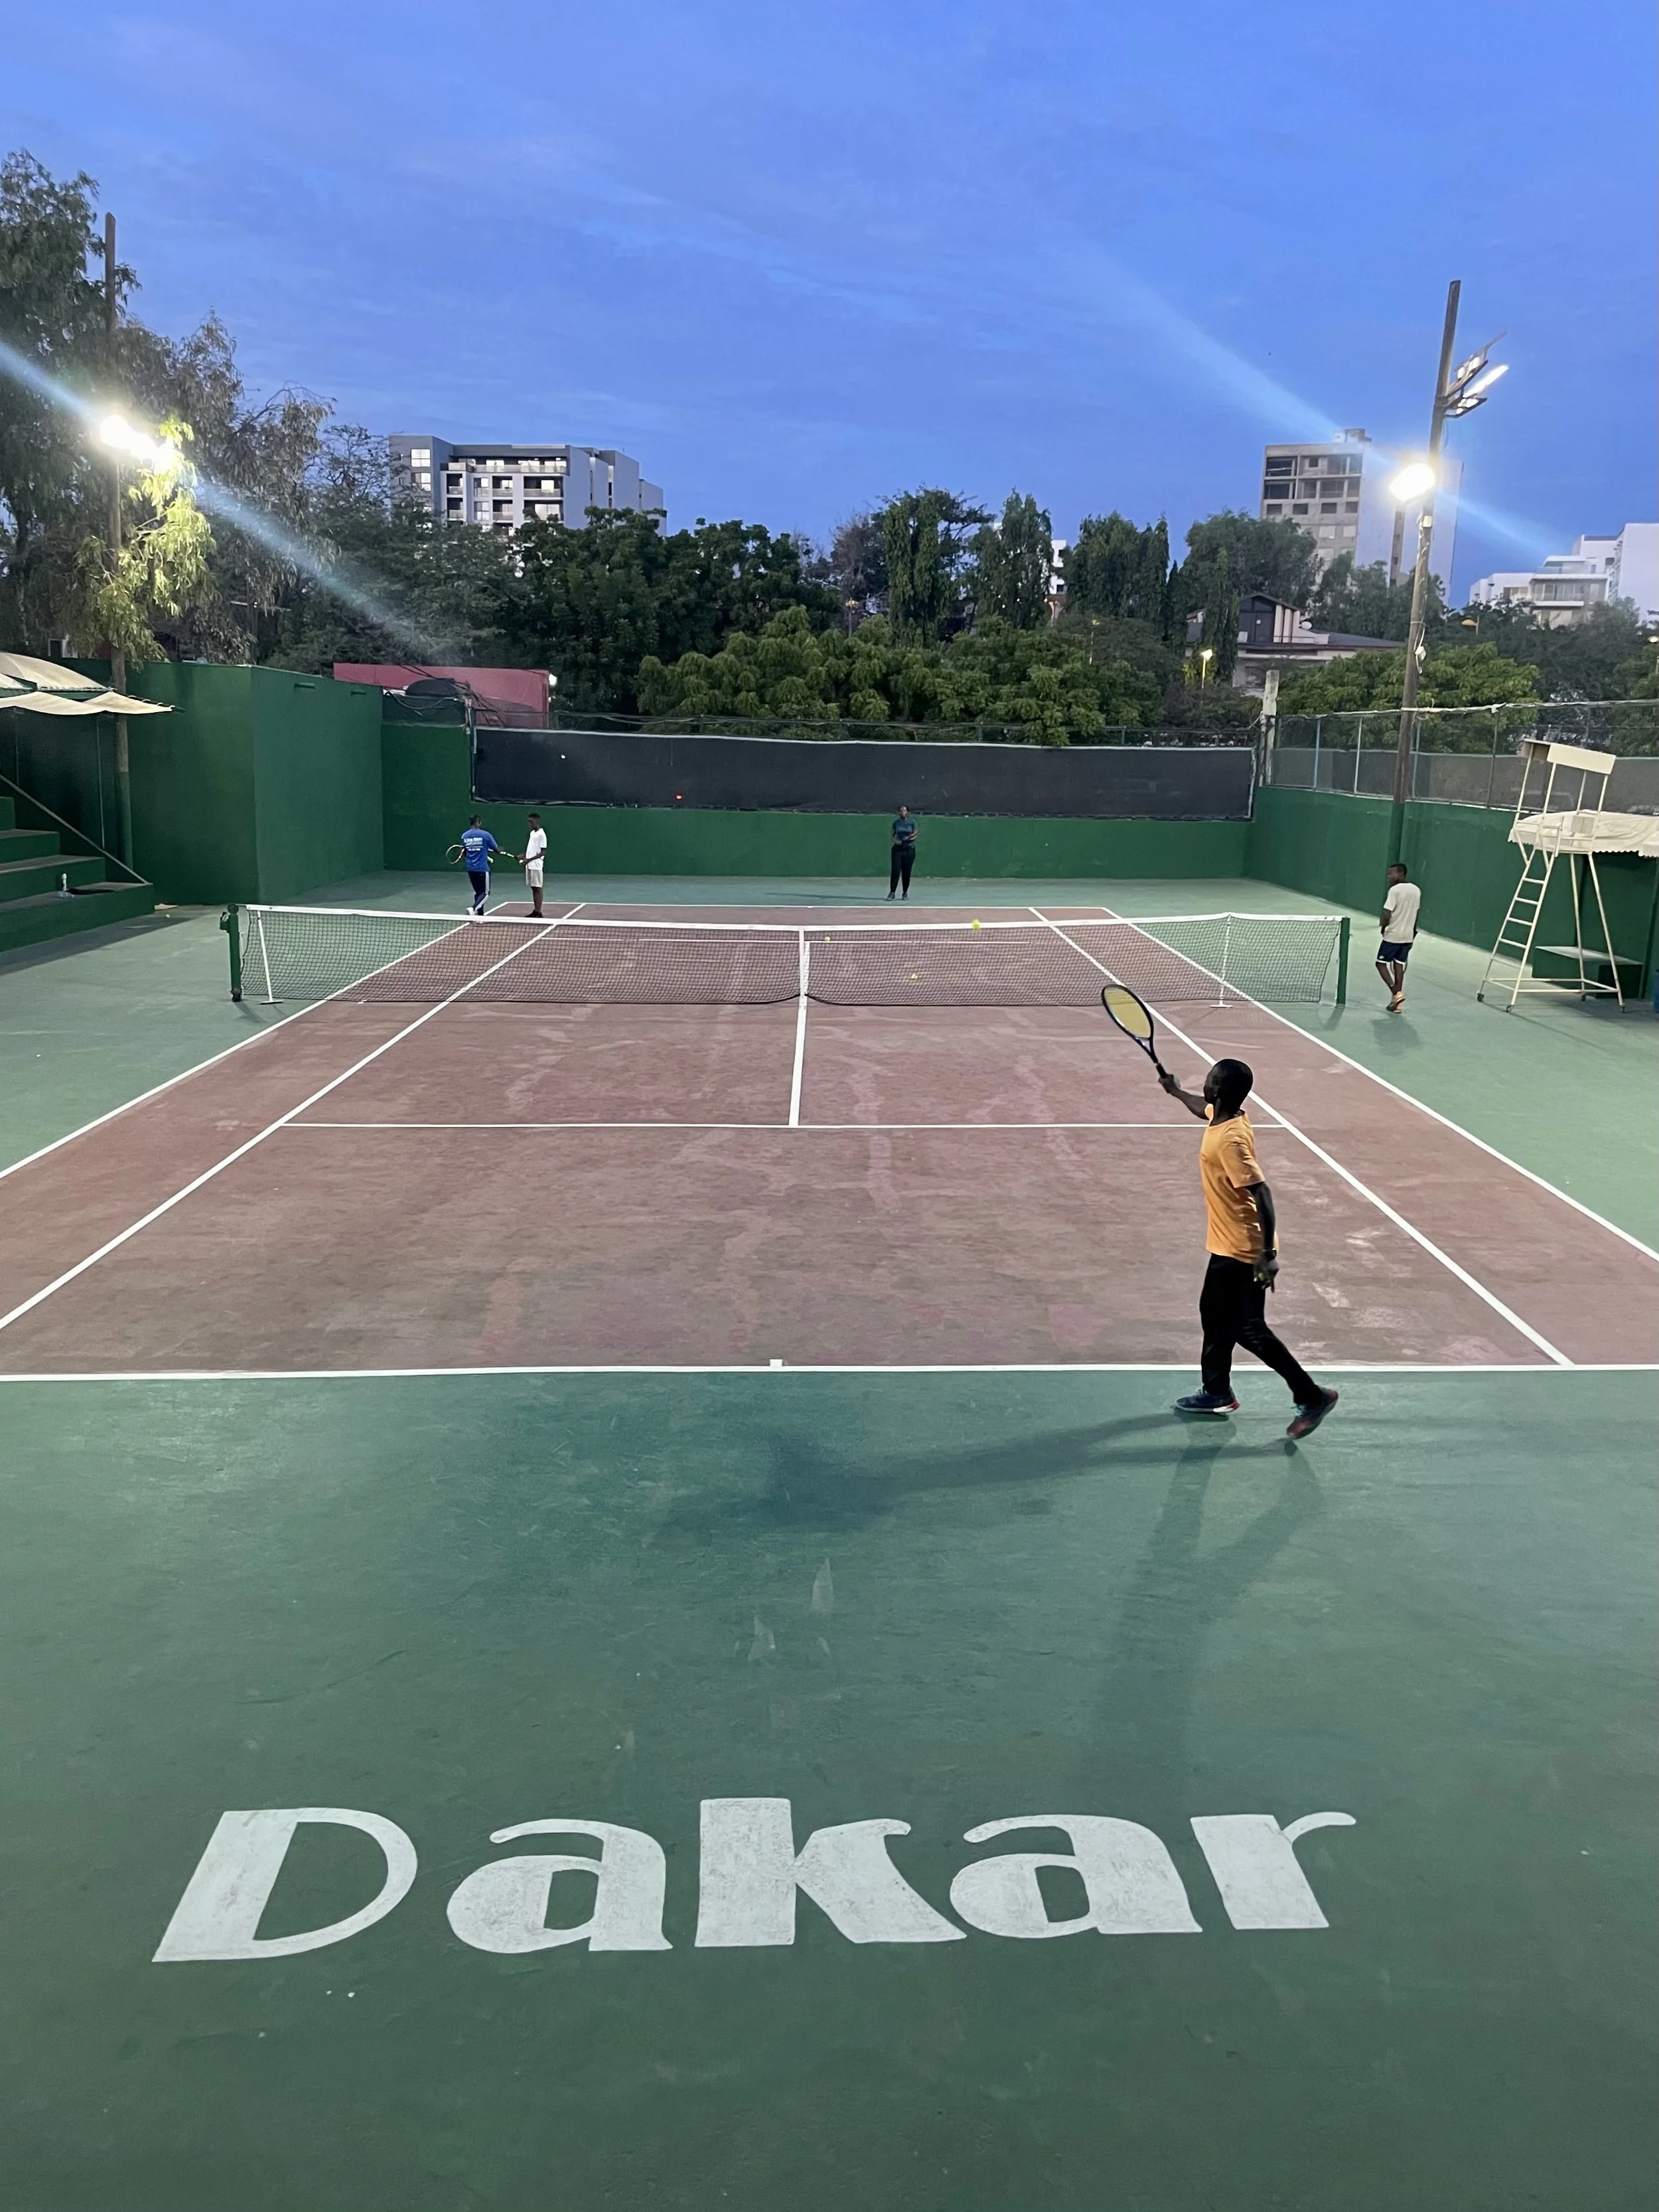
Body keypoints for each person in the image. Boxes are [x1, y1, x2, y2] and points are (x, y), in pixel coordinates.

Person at [1158, 1053, 1338, 1439]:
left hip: (1244, 1248)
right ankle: (1216, 1392)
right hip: (1227, 1242)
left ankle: (1311, 1396)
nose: (1204, 1084)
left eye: (1208, 1079)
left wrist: (1267, 1256)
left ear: (1219, 1089)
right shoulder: (1225, 1116)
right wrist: (1175, 1092)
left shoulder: (1231, 1140)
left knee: (1248, 1328)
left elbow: (1262, 1193)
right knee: (1213, 1312)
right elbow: (1201, 1108)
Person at [1376, 861, 1421, 1013]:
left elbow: (1387, 912)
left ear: (1401, 874)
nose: (1389, 877)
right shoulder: (1416, 890)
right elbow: (1417, 913)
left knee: (1381, 964)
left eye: (1392, 874)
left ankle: (1396, 993)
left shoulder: (1394, 890)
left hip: (1393, 936)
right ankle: (1397, 1005)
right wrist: (1413, 933)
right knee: (1398, 965)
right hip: (1408, 936)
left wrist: (1384, 928)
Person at [459, 816, 500, 915]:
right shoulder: (486, 835)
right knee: (485, 893)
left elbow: (465, 852)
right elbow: (496, 849)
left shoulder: (464, 836)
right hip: (482, 869)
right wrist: (499, 850)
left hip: (471, 869)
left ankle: (480, 917)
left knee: (478, 892)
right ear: (478, 823)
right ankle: (474, 909)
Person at [522, 811, 548, 919]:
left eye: (531, 822)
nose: (530, 824)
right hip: (530, 865)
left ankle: (538, 912)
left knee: (538, 888)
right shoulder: (532, 833)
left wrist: (529, 860)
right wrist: (524, 856)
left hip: (536, 865)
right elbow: (532, 849)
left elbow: (543, 852)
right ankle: (536, 910)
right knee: (534, 888)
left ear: (537, 821)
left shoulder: (542, 834)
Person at [888, 805, 917, 901]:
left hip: (909, 850)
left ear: (908, 812)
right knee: (896, 870)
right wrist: (896, 841)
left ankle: (905, 893)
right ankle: (892, 893)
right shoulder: (896, 823)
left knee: (907, 872)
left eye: (904, 811)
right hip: (897, 850)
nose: (902, 812)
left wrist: (907, 840)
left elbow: (915, 835)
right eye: (901, 811)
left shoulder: (912, 823)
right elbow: (892, 835)